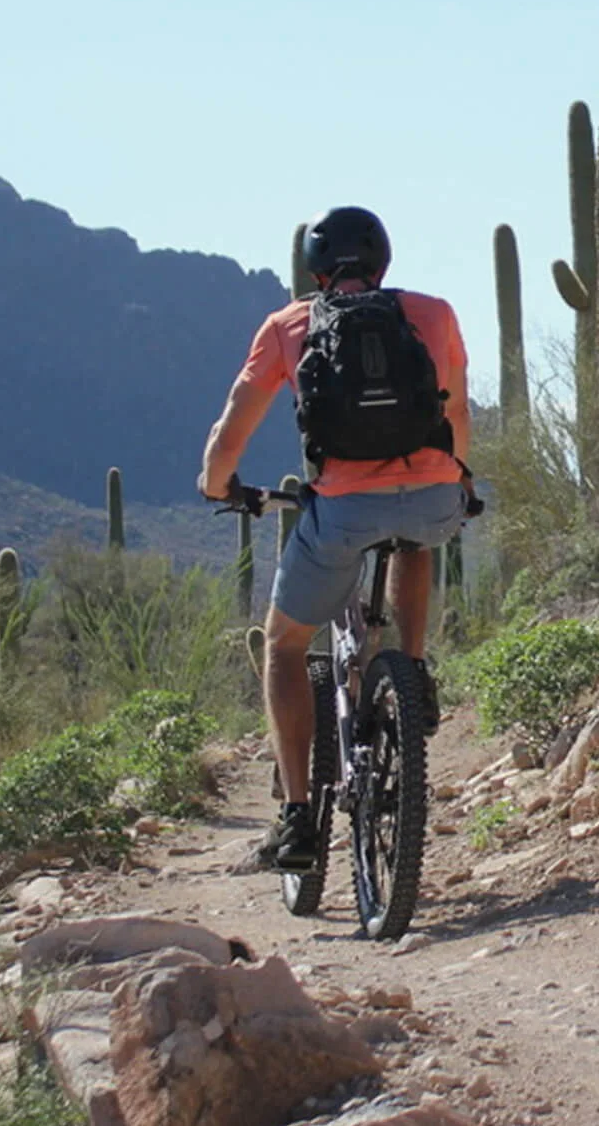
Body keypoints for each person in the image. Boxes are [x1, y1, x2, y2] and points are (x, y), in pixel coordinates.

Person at [199, 206, 472, 871]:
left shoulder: (289, 326)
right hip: (434, 495)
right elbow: (456, 408)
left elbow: (236, 421)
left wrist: (218, 484)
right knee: (416, 538)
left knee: (285, 645)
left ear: (315, 269)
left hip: (342, 509)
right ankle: (412, 667)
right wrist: (456, 479)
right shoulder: (432, 314)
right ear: (382, 262)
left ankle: (296, 820)